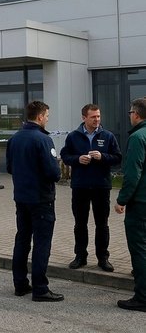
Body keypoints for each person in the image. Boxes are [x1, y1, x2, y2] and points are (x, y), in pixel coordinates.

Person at [6, 100, 63, 302]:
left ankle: (20, 284)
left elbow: (10, 168)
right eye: (47, 116)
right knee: (41, 244)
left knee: (22, 240)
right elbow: (53, 173)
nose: (47, 119)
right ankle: (40, 288)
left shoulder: (14, 139)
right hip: (41, 199)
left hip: (21, 198)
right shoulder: (43, 140)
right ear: (40, 117)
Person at [60, 104, 121, 272]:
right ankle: (80, 256)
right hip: (80, 186)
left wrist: (103, 157)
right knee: (80, 224)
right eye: (93, 117)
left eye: (99, 116)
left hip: (101, 186)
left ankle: (103, 258)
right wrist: (77, 159)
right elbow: (65, 156)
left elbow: (117, 158)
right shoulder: (73, 136)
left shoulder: (107, 136)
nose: (97, 120)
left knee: (102, 224)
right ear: (84, 118)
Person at [115, 98, 146, 311]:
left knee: (140, 250)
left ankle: (142, 297)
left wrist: (121, 200)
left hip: (141, 203)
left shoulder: (137, 137)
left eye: (130, 112)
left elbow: (132, 174)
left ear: (135, 114)